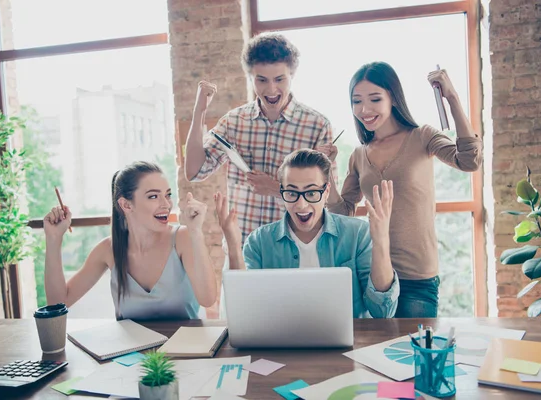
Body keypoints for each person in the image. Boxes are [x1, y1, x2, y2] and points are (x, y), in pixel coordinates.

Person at [324, 61, 483, 318]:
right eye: (357, 101)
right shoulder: (358, 154)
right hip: (373, 273)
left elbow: (469, 161)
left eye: (375, 99)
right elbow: (343, 213)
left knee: (416, 354)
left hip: (416, 276)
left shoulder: (422, 136)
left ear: (393, 99)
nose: (364, 109)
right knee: (368, 356)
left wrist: (451, 97)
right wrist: (328, 169)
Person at [184, 32, 336, 246]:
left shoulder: (317, 126)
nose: (271, 89)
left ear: (292, 75)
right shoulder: (233, 122)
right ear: (250, 78)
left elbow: (328, 200)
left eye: (279, 79)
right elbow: (194, 171)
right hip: (243, 249)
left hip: (295, 248)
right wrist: (199, 111)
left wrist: (276, 189)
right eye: (262, 80)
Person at [216, 149, 400, 318]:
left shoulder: (358, 234)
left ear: (326, 191)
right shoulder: (259, 241)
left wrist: (382, 240)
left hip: (348, 347)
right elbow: (243, 310)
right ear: (282, 192)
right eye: (292, 193)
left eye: (311, 193)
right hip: (280, 346)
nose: (301, 205)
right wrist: (233, 246)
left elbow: (383, 312)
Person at [43, 161, 217, 320]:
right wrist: (54, 239)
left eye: (167, 195)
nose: (166, 204)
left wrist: (196, 232)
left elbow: (208, 299)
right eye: (153, 196)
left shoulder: (183, 238)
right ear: (126, 205)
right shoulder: (108, 250)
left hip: (184, 350)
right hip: (132, 353)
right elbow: (59, 302)